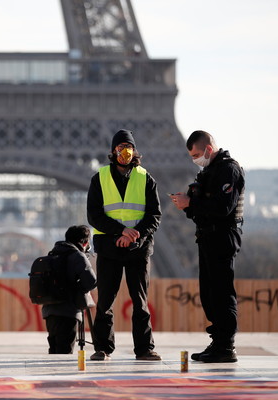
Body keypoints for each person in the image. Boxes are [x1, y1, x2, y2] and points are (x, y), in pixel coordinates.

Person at [86, 129, 162, 361]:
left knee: (139, 302)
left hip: (137, 248)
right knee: (106, 301)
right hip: (110, 246)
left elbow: (154, 215)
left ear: (135, 151)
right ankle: (103, 348)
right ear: (113, 151)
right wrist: (121, 231)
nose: (124, 152)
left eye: (128, 147)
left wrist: (134, 234)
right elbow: (94, 216)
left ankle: (144, 349)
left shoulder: (145, 178)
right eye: (120, 147)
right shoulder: (99, 178)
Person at [170, 130, 244, 363]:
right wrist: (188, 205)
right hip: (207, 237)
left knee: (221, 292)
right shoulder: (208, 171)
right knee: (210, 293)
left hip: (222, 237)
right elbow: (203, 209)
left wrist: (192, 202)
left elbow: (223, 208)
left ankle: (226, 345)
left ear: (209, 149)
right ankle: (219, 341)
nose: (195, 160)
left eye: (197, 155)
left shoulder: (228, 170)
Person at [42, 225, 97, 354]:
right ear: (85, 242)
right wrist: (77, 289)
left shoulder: (52, 254)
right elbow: (91, 282)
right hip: (69, 312)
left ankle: (52, 373)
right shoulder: (78, 256)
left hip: (49, 311)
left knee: (54, 350)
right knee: (64, 353)